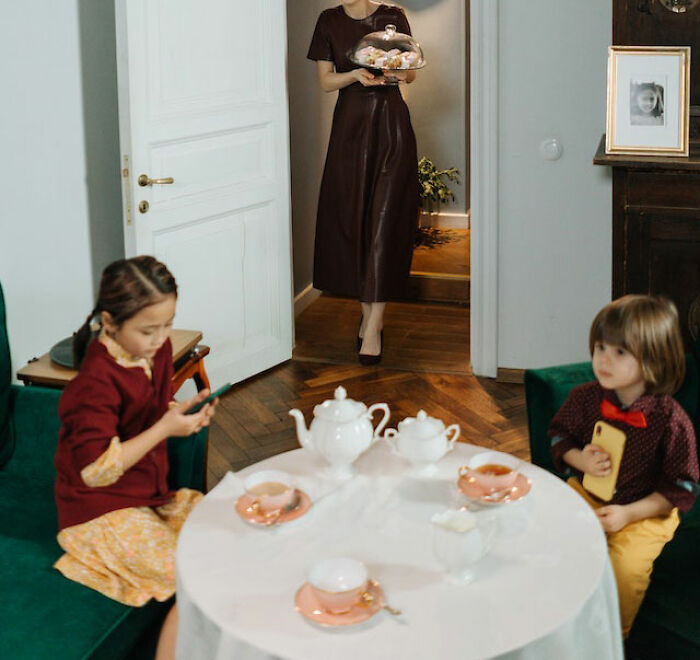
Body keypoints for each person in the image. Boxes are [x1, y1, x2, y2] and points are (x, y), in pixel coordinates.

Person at [54, 256, 218, 660]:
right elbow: (94, 471)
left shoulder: (156, 351)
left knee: (219, 534)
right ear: (110, 322)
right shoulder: (95, 381)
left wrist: (182, 415)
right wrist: (164, 429)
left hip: (146, 490)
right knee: (190, 571)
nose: (160, 339)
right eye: (148, 330)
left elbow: (151, 408)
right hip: (97, 509)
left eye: (168, 324)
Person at [548, 294, 699, 638]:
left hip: (645, 512)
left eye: (620, 352)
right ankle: (557, 615)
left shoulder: (672, 420)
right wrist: (580, 459)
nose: (603, 359)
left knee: (625, 570)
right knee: (554, 538)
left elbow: (680, 488)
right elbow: (559, 436)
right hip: (586, 493)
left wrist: (628, 514)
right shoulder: (585, 398)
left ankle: (612, 634)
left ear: (653, 360)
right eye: (601, 347)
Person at [307, 0, 420, 365]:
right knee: (356, 219)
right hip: (350, 129)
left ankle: (373, 325)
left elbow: (411, 74)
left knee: (385, 222)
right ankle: (368, 316)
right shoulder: (328, 21)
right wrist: (356, 75)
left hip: (391, 125)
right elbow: (326, 82)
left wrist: (394, 70)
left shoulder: (393, 16)